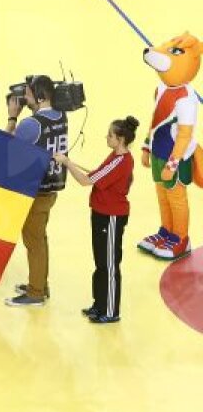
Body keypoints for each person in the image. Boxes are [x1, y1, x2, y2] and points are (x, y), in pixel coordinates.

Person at [54, 116, 139, 324]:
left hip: (111, 217)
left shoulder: (120, 161)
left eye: (110, 135)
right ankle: (99, 304)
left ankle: (110, 311)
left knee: (109, 265)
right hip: (101, 214)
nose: (106, 137)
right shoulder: (115, 156)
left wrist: (67, 163)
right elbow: (98, 175)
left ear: (120, 139)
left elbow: (86, 180)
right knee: (101, 262)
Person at [5, 75, 69, 308]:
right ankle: (40, 283)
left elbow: (5, 146)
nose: (24, 97)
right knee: (39, 237)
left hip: (35, 189)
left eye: (28, 93)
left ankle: (35, 293)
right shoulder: (61, 116)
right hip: (52, 185)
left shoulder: (30, 124)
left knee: (34, 241)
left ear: (40, 97)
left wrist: (12, 117)